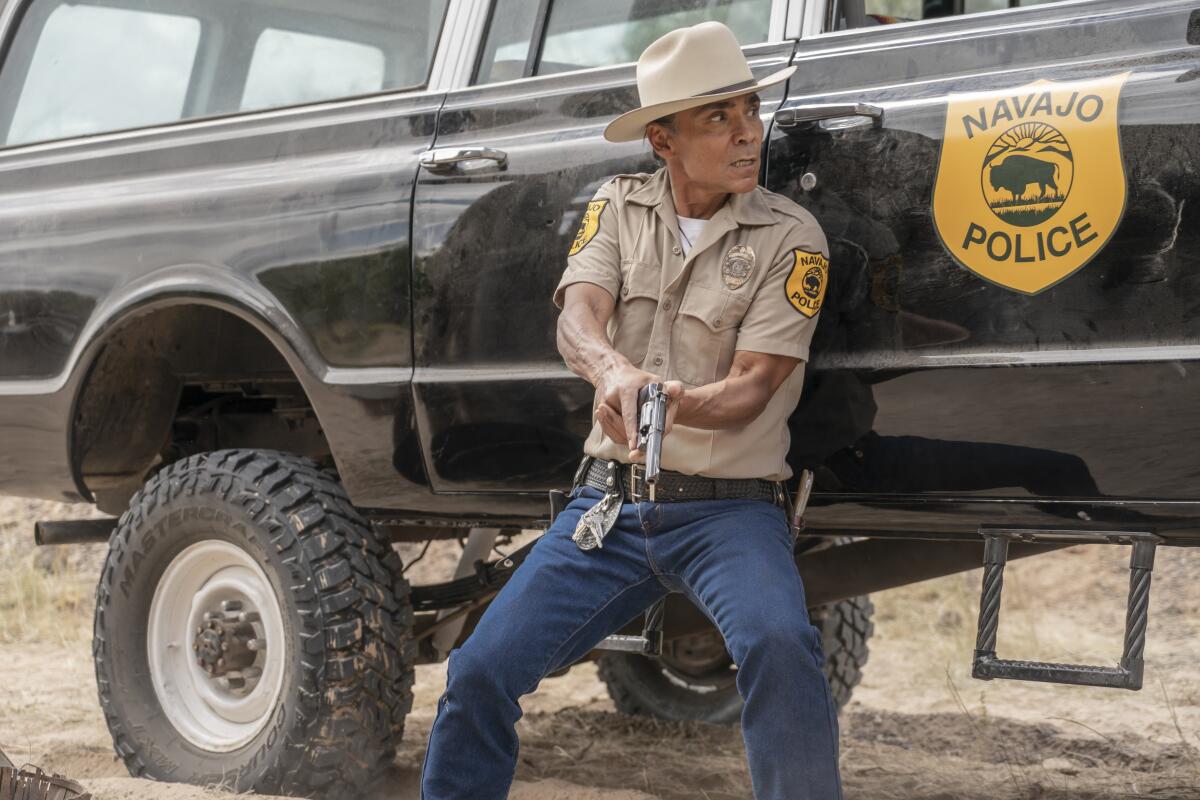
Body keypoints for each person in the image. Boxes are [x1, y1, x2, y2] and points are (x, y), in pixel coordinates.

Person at [421, 21, 841, 800]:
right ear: (662, 139)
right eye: (720, 117)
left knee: (782, 646)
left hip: (731, 512)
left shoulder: (793, 237)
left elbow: (754, 386)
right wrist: (612, 369)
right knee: (478, 669)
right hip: (609, 509)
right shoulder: (618, 208)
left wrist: (668, 404)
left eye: (750, 109)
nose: (750, 132)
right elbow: (577, 316)